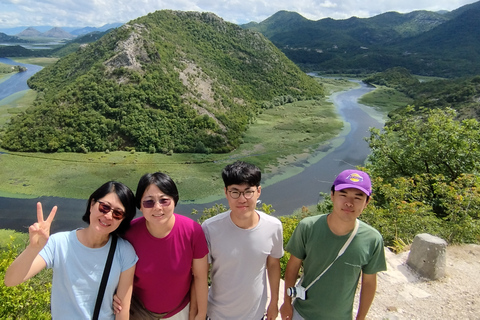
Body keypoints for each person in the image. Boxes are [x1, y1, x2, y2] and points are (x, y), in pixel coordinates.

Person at [4, 181, 138, 320]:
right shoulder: (60, 243)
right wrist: (33, 249)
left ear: (123, 219)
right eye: (104, 207)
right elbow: (11, 280)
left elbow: (122, 311)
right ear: (92, 205)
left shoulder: (124, 252)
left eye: (117, 213)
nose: (108, 216)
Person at [280, 169, 387, 320]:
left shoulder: (372, 239)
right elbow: (292, 267)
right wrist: (286, 302)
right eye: (343, 195)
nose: (349, 203)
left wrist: (361, 317)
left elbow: (369, 282)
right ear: (332, 195)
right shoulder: (308, 227)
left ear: (367, 202)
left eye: (358, 197)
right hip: (301, 313)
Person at [116, 172, 209, 320]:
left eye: (164, 200)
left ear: (174, 200)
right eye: (149, 202)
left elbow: (200, 276)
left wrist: (199, 314)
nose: (157, 207)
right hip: (138, 311)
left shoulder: (192, 231)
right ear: (140, 205)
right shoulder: (129, 234)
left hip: (180, 311)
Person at [201, 161, 284, 320]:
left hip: (255, 314)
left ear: (258, 191)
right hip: (217, 314)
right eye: (235, 192)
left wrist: (274, 303)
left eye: (248, 192)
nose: (242, 199)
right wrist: (200, 311)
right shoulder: (210, 228)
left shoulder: (273, 227)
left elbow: (273, 265)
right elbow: (201, 274)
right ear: (225, 192)